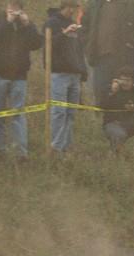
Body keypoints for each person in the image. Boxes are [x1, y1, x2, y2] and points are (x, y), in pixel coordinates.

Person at [0, 1, 43, 159]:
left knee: (18, 115)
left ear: (21, 8)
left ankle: (21, 153)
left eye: (17, 6)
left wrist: (28, 24)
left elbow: (37, 43)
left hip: (19, 77)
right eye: (11, 5)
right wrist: (7, 22)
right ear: (6, 5)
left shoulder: (26, 24)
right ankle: (0, 150)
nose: (13, 9)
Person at [80, 0, 134, 105]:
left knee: (127, 91)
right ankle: (104, 119)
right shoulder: (94, 5)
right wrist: (88, 46)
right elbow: (84, 27)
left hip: (125, 58)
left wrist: (132, 42)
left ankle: (128, 119)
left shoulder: (130, 4)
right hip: (101, 58)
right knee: (101, 91)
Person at [45, 0, 86, 155]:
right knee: (59, 111)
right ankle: (55, 147)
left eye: (74, 8)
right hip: (59, 74)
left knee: (71, 113)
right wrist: (64, 33)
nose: (72, 11)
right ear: (63, 7)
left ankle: (66, 147)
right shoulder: (51, 23)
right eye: (70, 8)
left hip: (74, 74)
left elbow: (79, 50)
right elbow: (48, 45)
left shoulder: (75, 24)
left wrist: (83, 73)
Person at [101, 66, 134, 155]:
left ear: (133, 81)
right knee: (120, 136)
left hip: (130, 123)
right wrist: (112, 92)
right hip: (112, 123)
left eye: (128, 80)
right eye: (122, 80)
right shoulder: (109, 89)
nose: (124, 83)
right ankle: (115, 152)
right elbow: (101, 106)